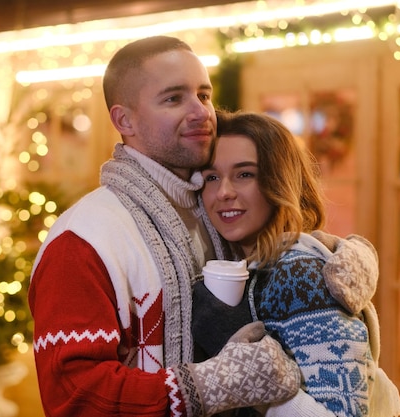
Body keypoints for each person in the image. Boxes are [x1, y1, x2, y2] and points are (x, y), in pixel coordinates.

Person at [27, 36, 302, 417]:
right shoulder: (83, 239)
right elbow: (75, 395)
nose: (201, 112)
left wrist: (324, 253)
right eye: (174, 99)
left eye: (204, 95)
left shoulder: (211, 208)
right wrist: (211, 384)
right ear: (125, 120)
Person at [193, 110, 400, 416]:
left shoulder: (296, 274)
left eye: (244, 174)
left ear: (278, 183)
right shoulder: (260, 266)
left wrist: (255, 378)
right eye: (212, 177)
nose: (223, 192)